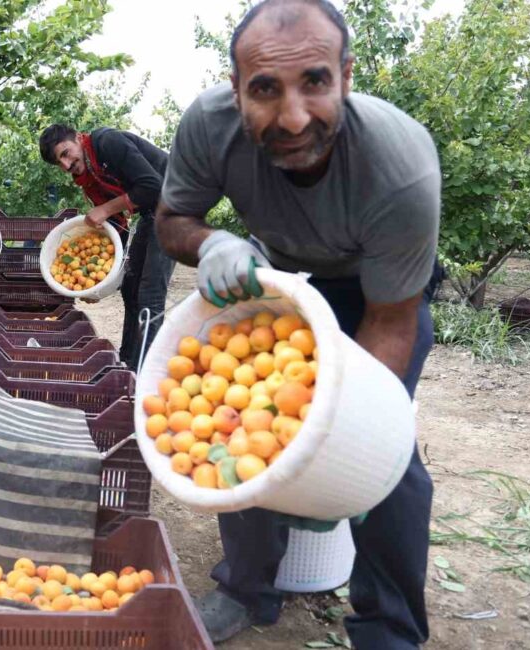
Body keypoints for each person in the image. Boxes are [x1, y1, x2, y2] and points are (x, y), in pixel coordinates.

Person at [155, 0, 443, 647]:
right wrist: (214, 244)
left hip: (377, 293)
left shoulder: (400, 167)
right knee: (247, 436)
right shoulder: (210, 126)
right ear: (235, 90)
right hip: (279, 285)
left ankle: (389, 628)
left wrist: (349, 439)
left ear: (345, 72)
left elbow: (392, 319)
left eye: (314, 81)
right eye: (264, 89)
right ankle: (247, 589)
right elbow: (173, 218)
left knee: (387, 455)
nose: (292, 117)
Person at [38, 124, 176, 370]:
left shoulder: (106, 142)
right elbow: (116, 224)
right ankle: (128, 363)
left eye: (65, 153)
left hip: (176, 201)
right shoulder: (88, 177)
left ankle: (145, 371)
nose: (66, 165)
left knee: (150, 293)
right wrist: (100, 283)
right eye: (60, 163)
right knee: (131, 289)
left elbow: (151, 186)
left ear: (78, 138)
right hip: (153, 211)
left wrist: (104, 209)